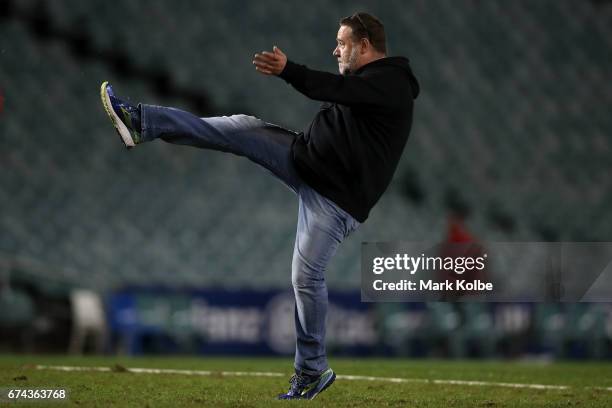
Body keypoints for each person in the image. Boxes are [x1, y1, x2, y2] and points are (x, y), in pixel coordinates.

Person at [100, 12, 419, 400]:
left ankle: (312, 372)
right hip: (302, 159)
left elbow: (332, 88)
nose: (335, 49)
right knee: (240, 127)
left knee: (305, 278)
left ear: (365, 45)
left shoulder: (393, 84)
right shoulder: (367, 82)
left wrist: (289, 70)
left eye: (342, 42)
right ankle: (141, 122)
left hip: (334, 201)